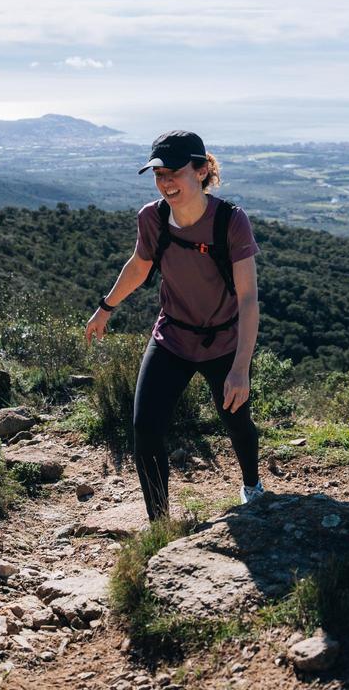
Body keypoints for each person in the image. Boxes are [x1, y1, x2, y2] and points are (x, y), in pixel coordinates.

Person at [84, 130, 263, 521]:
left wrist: (239, 368)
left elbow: (248, 299)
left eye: (174, 172)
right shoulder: (152, 218)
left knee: (237, 424)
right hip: (172, 337)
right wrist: (105, 307)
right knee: (145, 428)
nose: (165, 182)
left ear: (200, 171)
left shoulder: (231, 222)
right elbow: (139, 265)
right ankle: (159, 522)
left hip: (223, 341)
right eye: (158, 174)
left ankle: (252, 485)